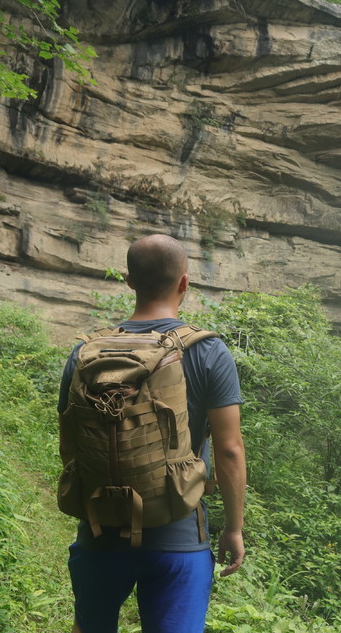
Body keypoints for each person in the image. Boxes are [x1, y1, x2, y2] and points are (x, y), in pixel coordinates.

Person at [58, 234, 246, 633]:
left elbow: (70, 442)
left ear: (128, 280)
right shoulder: (209, 351)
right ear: (184, 283)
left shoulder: (85, 353)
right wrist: (233, 528)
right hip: (178, 536)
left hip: (99, 532)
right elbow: (229, 450)